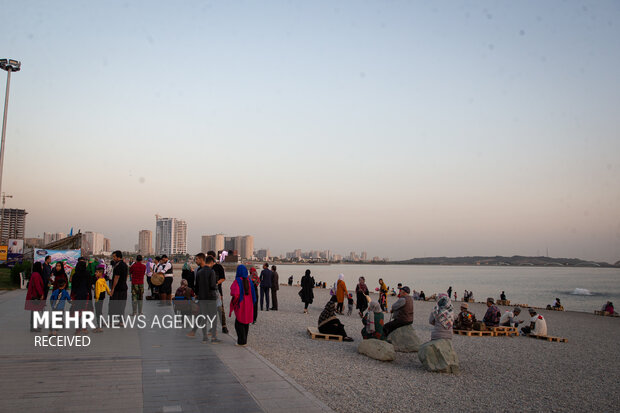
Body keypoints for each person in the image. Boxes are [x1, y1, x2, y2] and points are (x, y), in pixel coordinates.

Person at [193, 253, 219, 343]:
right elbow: (212, 285)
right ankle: (213, 337)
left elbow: (196, 287)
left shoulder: (199, 272)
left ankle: (204, 337)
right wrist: (216, 287)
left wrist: (198, 294)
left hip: (202, 298)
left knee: (203, 317)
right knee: (213, 317)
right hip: (211, 298)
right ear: (211, 262)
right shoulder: (212, 272)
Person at [230, 265, 256, 346]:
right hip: (249, 304)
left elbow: (235, 293)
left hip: (240, 304)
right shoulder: (249, 280)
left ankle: (241, 341)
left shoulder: (237, 281)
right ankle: (244, 340)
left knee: (238, 322)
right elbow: (253, 293)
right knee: (246, 322)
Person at [208, 251, 229, 334]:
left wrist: (216, 283)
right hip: (209, 292)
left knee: (220, 309)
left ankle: (224, 326)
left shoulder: (219, 267)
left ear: (213, 257)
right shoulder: (207, 267)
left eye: (209, 257)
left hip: (218, 291)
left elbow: (223, 278)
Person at [70, 261, 92, 334]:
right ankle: (84, 328)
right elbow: (89, 285)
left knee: (78, 313)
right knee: (86, 312)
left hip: (77, 296)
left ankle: (77, 330)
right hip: (86, 295)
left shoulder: (75, 275)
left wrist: (72, 295)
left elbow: (73, 287)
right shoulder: (87, 274)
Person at [109, 250, 129, 326]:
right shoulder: (125, 265)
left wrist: (113, 289)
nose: (113, 258)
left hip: (118, 289)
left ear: (118, 257)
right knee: (121, 305)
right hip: (124, 288)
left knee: (113, 305)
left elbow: (116, 277)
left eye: (114, 256)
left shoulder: (118, 266)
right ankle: (121, 321)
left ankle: (111, 322)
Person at [25, 262, 46, 332]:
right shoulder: (36, 275)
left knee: (34, 311)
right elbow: (37, 285)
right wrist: (41, 294)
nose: (42, 267)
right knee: (35, 312)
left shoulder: (34, 274)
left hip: (33, 295)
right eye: (41, 266)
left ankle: (34, 326)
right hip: (35, 295)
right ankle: (34, 327)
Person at [93, 265, 111, 333]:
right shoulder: (103, 279)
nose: (95, 273)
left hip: (99, 297)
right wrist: (109, 293)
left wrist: (96, 299)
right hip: (103, 296)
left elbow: (97, 291)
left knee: (98, 312)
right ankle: (100, 324)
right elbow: (106, 286)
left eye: (97, 272)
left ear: (100, 273)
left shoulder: (97, 281)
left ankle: (99, 327)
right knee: (100, 311)